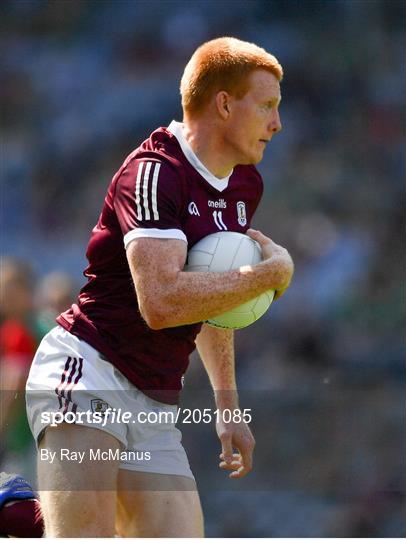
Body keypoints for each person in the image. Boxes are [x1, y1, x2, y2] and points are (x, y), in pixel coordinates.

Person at [25, 36, 294, 537]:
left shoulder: (243, 184)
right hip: (88, 373)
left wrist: (228, 406)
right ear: (224, 104)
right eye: (268, 106)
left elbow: (214, 296)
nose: (277, 124)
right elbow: (162, 302)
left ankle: (19, 518)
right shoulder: (154, 173)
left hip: (155, 400)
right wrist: (269, 276)